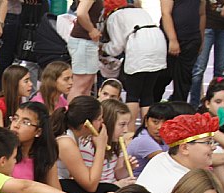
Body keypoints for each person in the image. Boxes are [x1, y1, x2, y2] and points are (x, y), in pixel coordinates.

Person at [7, 101, 102, 193]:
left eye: (25, 122)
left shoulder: (45, 157)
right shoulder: (4, 154)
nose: (16, 125)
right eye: (15, 118)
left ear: (38, 132)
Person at [101, 0, 167, 129]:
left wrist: (102, 47)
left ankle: (129, 131)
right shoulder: (139, 11)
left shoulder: (114, 17)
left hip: (139, 48)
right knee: (148, 93)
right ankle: (148, 130)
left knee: (133, 94)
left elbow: (116, 47)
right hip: (158, 44)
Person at [137, 113, 218, 193]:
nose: (214, 147)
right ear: (184, 148)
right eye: (208, 142)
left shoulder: (163, 158)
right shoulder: (184, 183)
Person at [52, 95, 116, 193]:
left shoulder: (75, 137)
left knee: (111, 188)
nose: (102, 122)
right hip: (59, 186)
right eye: (99, 119)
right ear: (86, 125)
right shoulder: (65, 142)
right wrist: (100, 147)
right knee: (111, 191)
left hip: (65, 183)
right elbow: (91, 185)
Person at [153, 0, 205, 102]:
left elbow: (202, 13)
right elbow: (166, 13)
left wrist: (201, 39)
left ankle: (179, 111)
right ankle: (153, 108)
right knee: (162, 77)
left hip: (192, 39)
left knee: (184, 81)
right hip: (170, 39)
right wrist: (173, 39)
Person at [189, 0, 224, 107]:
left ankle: (219, 104)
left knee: (219, 70)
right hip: (207, 26)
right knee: (198, 69)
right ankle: (195, 104)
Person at [126, 102, 177, 177]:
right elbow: (167, 164)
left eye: (165, 123)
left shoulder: (164, 138)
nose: (160, 127)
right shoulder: (144, 140)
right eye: (155, 122)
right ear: (146, 122)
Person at [66, 0, 102, 101]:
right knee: (80, 86)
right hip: (83, 41)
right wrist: (91, 30)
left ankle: (82, 114)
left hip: (86, 42)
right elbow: (81, 13)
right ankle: (72, 115)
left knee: (86, 86)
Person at [0, 0, 23, 97]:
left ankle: (2, 94)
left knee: (10, 60)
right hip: (7, 16)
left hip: (16, 16)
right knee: (4, 61)